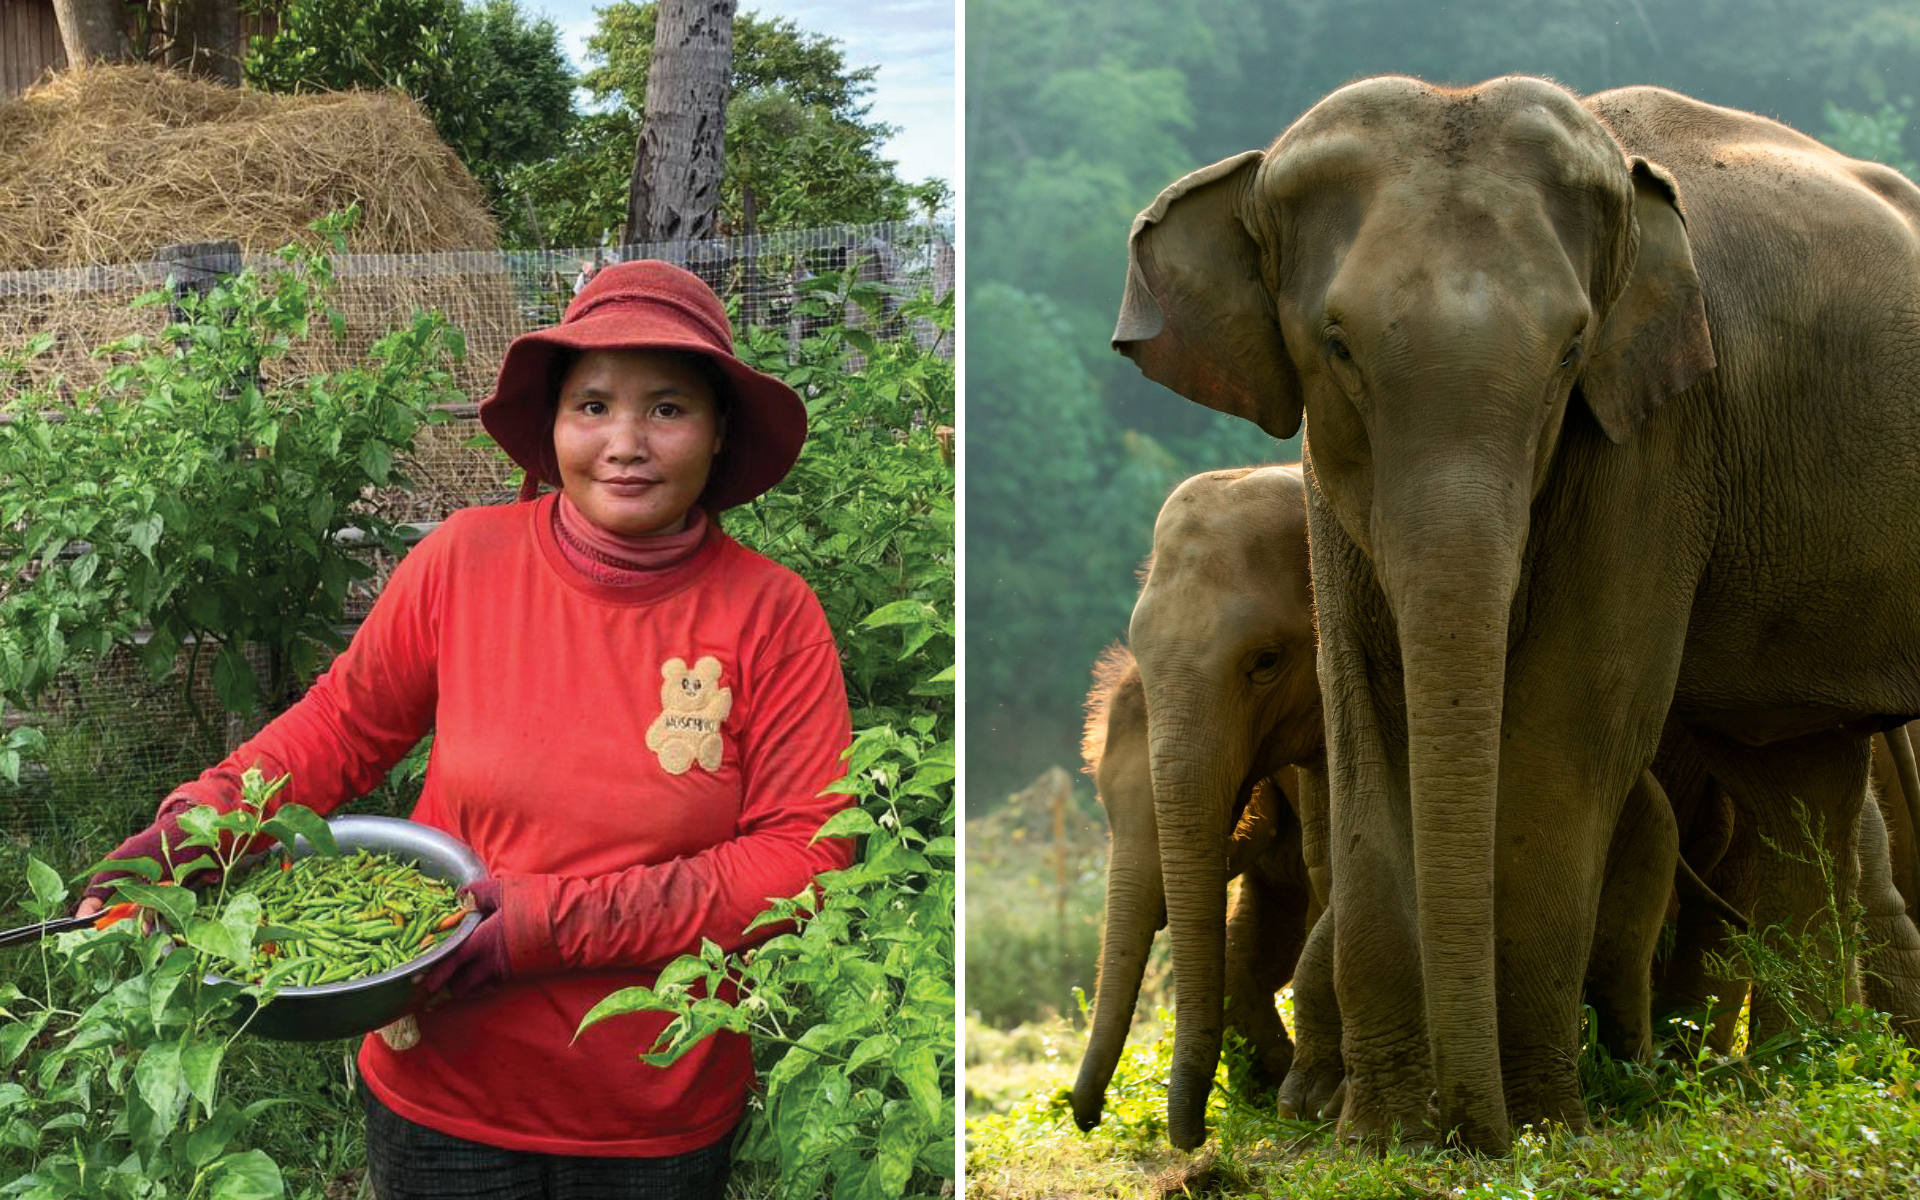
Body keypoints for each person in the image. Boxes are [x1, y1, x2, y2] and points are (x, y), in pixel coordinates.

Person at [76, 260, 855, 1199]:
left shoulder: (770, 613)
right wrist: (197, 827)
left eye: (668, 408)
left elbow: (805, 859)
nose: (625, 443)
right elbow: (341, 726)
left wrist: (542, 927)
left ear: (719, 430)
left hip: (654, 1106)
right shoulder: (466, 561)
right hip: (442, 1087)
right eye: (593, 405)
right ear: (554, 426)